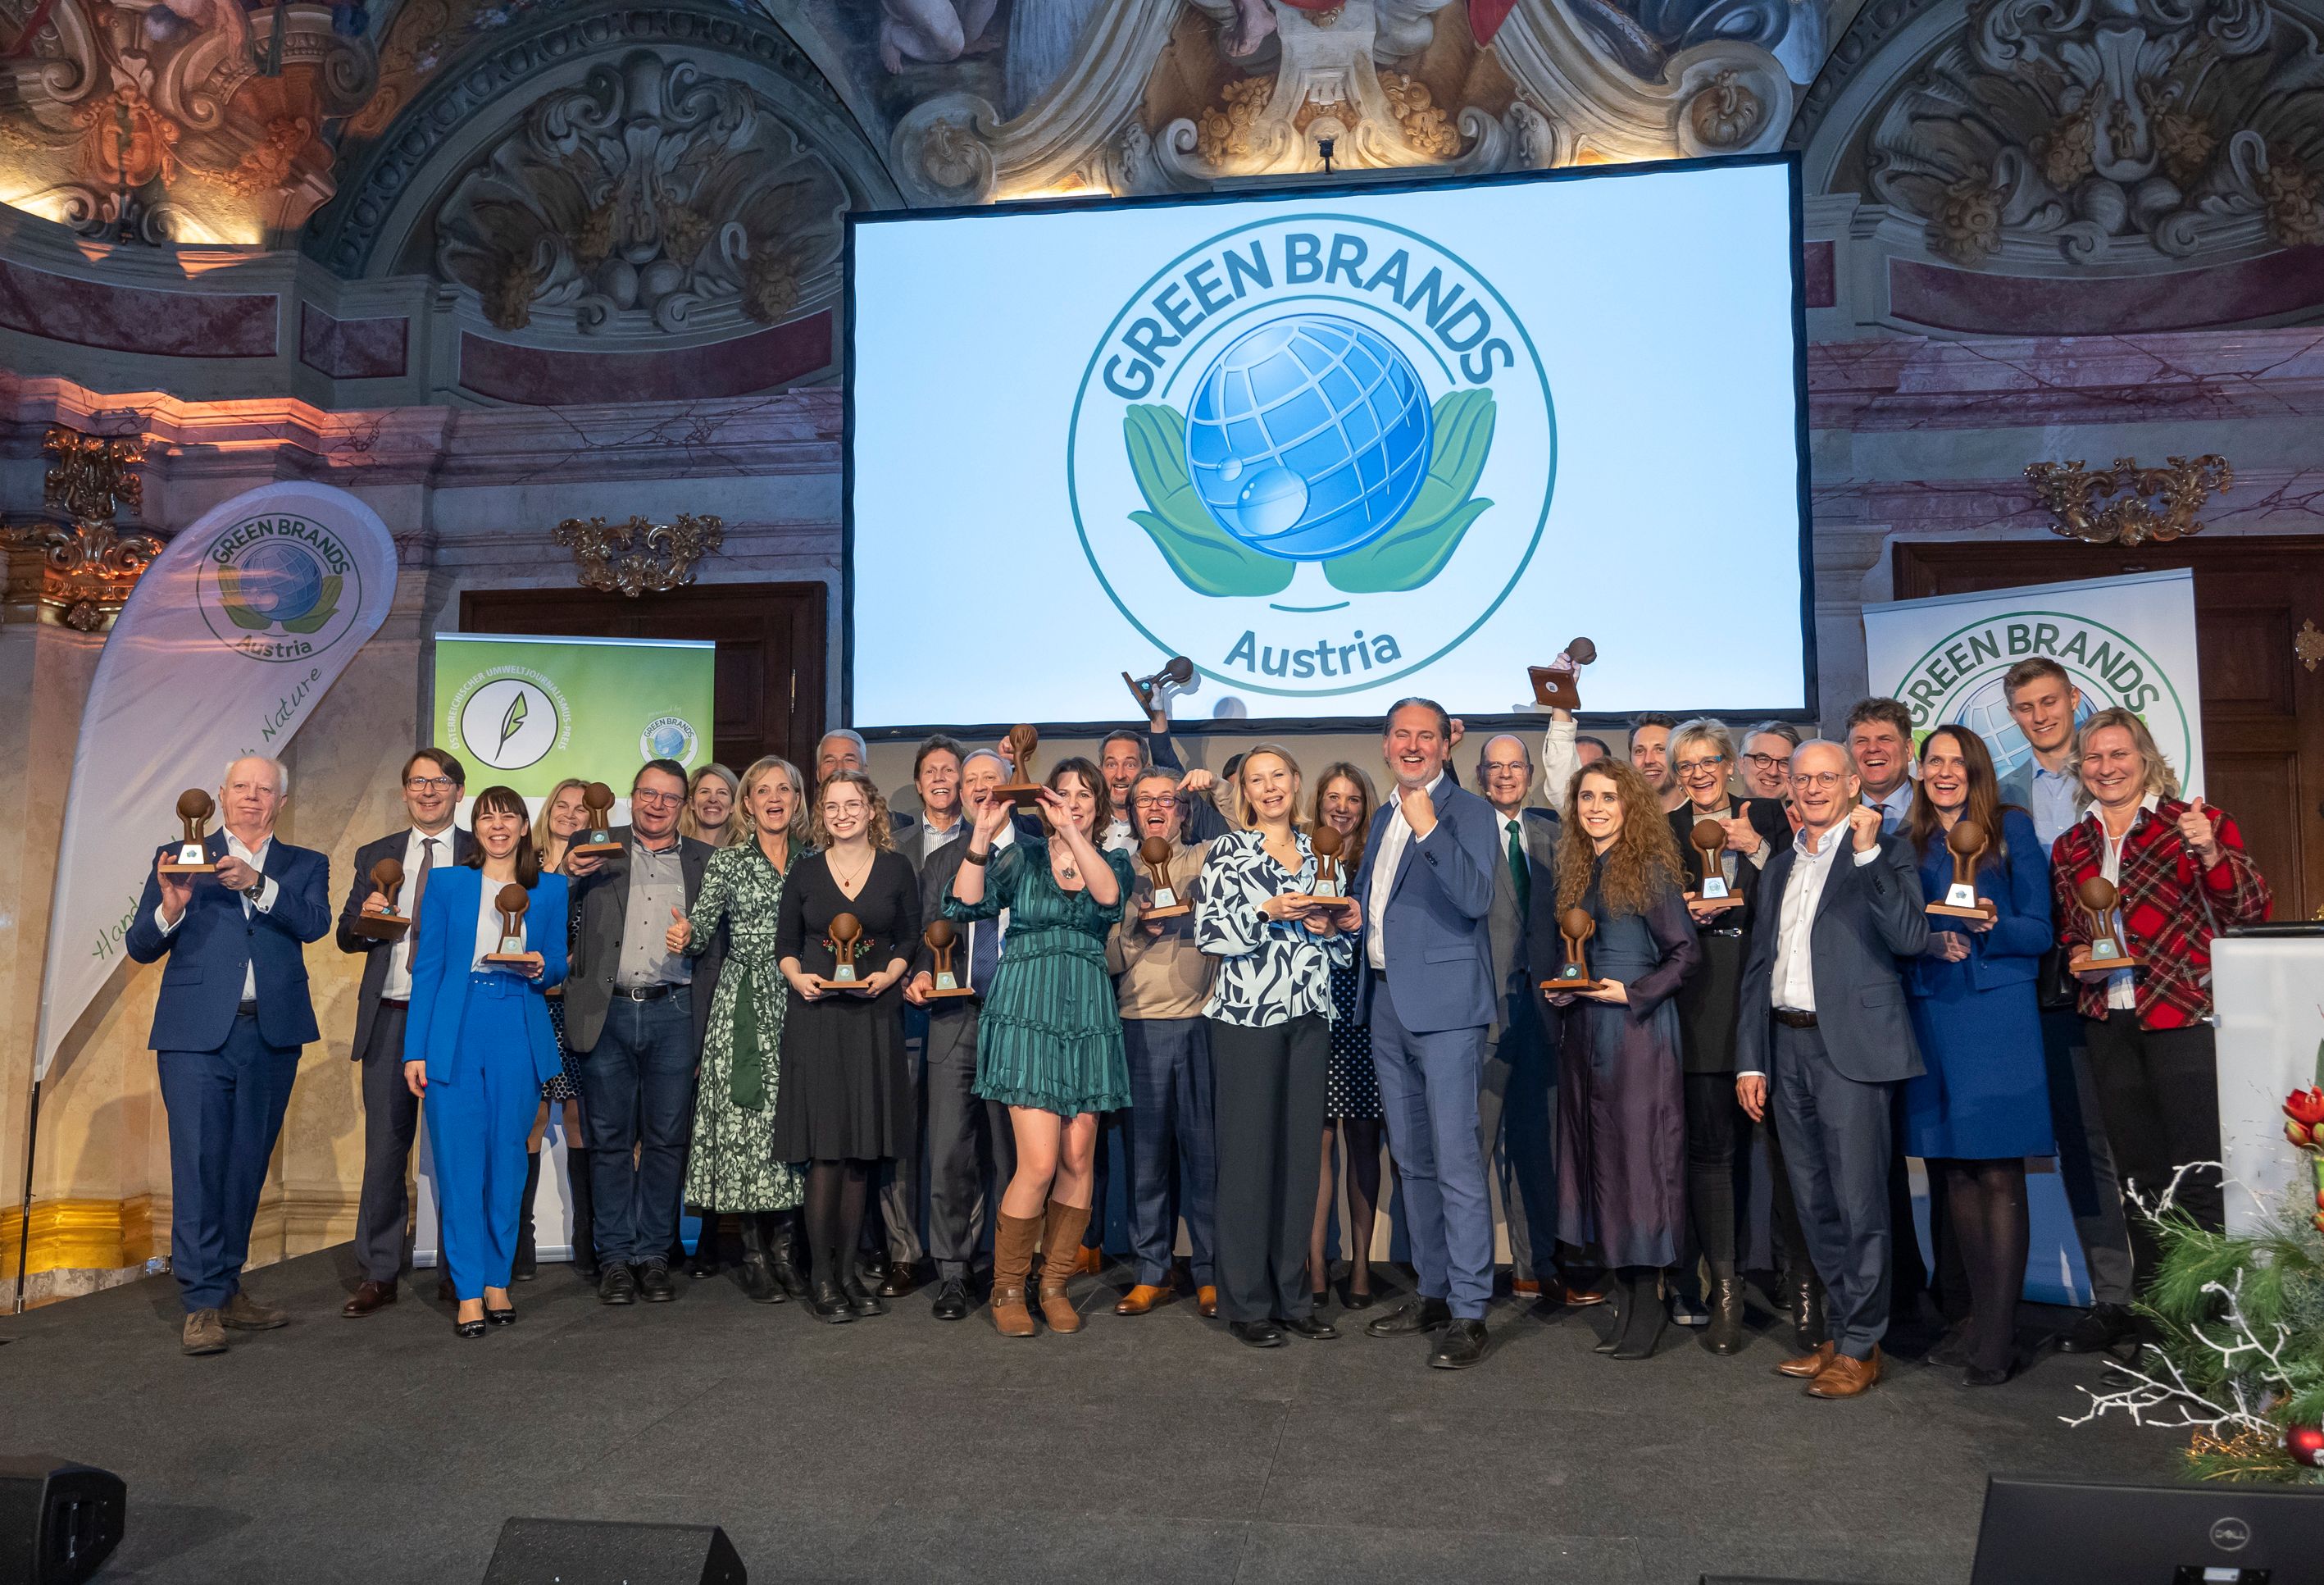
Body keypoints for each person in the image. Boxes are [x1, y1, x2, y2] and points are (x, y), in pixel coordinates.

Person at [2052, 708, 2271, 1297]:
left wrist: (2211, 854)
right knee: (2138, 1180)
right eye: (2094, 757)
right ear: (2080, 767)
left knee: (2196, 1176)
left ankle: (2210, 1319)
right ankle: (2159, 1316)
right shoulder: (2071, 845)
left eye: (2118, 754)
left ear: (2145, 759)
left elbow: (2250, 909)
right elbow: (2073, 930)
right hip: (2108, 1020)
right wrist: (2078, 953)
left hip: (2182, 1016)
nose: (2106, 767)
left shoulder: (2196, 823)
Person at [1735, 740, 1928, 1400]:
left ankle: (1861, 1343)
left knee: (1858, 1201)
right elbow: (1757, 968)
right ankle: (1843, 1332)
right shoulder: (1780, 864)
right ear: (1788, 786)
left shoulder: (1886, 852)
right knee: (1813, 1204)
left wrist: (1868, 855)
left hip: (1852, 1050)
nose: (1813, 788)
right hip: (1783, 1046)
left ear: (1851, 784)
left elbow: (1908, 937)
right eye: (1802, 778)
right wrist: (1750, 1058)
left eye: (1826, 777)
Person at [125, 756, 332, 1355]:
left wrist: (257, 884)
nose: (251, 796)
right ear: (220, 796)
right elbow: (140, 945)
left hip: (271, 1034)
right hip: (193, 1036)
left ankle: (226, 1286)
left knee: (246, 1166)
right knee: (198, 1164)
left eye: (264, 789)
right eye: (241, 786)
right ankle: (199, 1304)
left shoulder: (304, 863)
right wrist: (171, 907)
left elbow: (316, 924)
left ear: (280, 802)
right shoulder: (177, 856)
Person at [942, 757, 1132, 1338]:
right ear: (1045, 801)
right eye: (1062, 793)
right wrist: (980, 835)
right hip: (1027, 1011)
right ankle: (1008, 1285)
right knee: (1040, 1162)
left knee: (1078, 1160)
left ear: (1098, 805)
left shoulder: (1114, 860)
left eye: (1084, 794)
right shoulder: (1020, 857)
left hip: (1087, 1013)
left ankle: (1053, 1284)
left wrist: (1071, 833)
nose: (1072, 801)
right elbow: (962, 904)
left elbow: (1108, 900)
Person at [1900, 727, 2054, 1385]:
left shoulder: (2009, 827)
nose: (1944, 771)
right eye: (1933, 760)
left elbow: (2040, 928)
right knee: (1955, 1172)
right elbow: (1894, 930)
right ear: (1919, 770)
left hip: (1996, 1014)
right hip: (1932, 1011)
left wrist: (1993, 922)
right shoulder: (1902, 841)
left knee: (1997, 1170)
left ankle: (1996, 1334)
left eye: (1956, 761)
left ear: (1976, 769)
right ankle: (1977, 1319)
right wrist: (1927, 942)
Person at [1994, 658, 2139, 1356]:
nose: (2040, 716)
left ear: (2073, 698)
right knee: (2081, 1146)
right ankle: (2112, 1297)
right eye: (2025, 707)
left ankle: (2169, 1292)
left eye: (2049, 701)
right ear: (2012, 715)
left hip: (2130, 983)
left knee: (2137, 1140)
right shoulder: (2003, 794)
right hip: (2047, 985)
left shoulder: (2112, 772)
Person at [1353, 699, 1503, 1369]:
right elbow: (1379, 901)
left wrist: (1427, 826)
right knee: (1411, 1159)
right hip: (1386, 1002)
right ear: (1385, 744)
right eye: (1400, 734)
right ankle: (1434, 1291)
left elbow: (1475, 897)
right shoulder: (1382, 814)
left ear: (1446, 745)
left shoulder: (1467, 812)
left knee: (1456, 1159)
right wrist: (1347, 916)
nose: (1412, 745)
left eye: (1425, 735)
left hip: (1447, 1010)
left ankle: (1470, 1310)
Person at [1196, 747, 1359, 1347]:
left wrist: (1336, 926)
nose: (1269, 788)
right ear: (1244, 790)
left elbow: (1339, 951)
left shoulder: (1322, 851)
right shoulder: (1228, 851)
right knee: (1247, 1160)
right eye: (1256, 780)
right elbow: (1209, 934)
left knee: (1298, 1163)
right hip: (1247, 1019)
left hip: (1310, 1017)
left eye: (1278, 777)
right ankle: (1245, 1302)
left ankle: (1293, 1298)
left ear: (1295, 781)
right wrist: (1267, 910)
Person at [1539, 758, 1699, 1360]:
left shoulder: (1649, 868)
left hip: (1635, 1032)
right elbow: (1574, 955)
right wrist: (1565, 990)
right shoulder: (1579, 870)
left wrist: (1632, 993)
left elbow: (1685, 954)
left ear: (1629, 805)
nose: (1596, 807)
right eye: (1587, 797)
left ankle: (1649, 1304)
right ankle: (1627, 1303)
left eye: (1608, 797)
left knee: (1639, 1165)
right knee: (1601, 1166)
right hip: (1585, 1031)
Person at [401, 786, 569, 1337]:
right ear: (475, 828)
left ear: (524, 825)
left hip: (517, 1024)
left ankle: (498, 1280)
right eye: (487, 817)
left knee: (508, 1162)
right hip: (455, 1029)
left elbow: (556, 966)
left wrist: (542, 966)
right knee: (458, 1164)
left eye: (508, 816)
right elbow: (428, 967)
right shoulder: (448, 883)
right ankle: (469, 1290)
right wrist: (416, 1048)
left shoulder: (551, 888)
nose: (498, 825)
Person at [562, 759, 719, 1306]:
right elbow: (554, 909)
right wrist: (568, 873)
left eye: (670, 797)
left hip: (674, 1012)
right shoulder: (595, 847)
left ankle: (653, 1254)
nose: (657, 805)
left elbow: (717, 946)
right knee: (607, 1141)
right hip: (606, 1012)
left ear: (684, 806)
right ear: (631, 797)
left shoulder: (705, 861)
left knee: (666, 1140)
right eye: (648, 794)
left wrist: (695, 937)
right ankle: (614, 1258)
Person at [773, 769, 919, 1322]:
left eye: (852, 804)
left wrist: (892, 974)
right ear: (822, 814)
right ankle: (821, 1277)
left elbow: (909, 935)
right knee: (827, 1150)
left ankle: (849, 1273)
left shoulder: (896, 868)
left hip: (873, 1017)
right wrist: (797, 978)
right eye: (832, 806)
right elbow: (786, 943)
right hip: (817, 1018)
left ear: (871, 809)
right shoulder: (806, 871)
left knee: (861, 1152)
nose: (842, 814)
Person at [1665, 718, 1791, 1354]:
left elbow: (1800, 893)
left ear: (1729, 763)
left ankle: (1800, 1286)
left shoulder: (1767, 817)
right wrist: (1680, 913)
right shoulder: (1662, 830)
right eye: (1685, 765)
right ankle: (1724, 1289)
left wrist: (1759, 851)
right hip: (1701, 1002)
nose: (1698, 774)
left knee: (1784, 1153)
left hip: (1768, 996)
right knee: (1711, 1151)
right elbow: (1648, 910)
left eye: (1708, 761)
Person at [337, 748, 475, 1319]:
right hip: (391, 1015)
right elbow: (347, 936)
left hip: (455, 1020)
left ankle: (458, 1271)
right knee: (385, 1151)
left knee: (456, 1150)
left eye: (439, 782)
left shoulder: (480, 851)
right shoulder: (376, 854)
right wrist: (368, 917)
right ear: (404, 792)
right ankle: (378, 1271)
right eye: (418, 782)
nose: (428, 791)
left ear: (458, 791)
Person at [668, 757, 811, 1305]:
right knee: (746, 1126)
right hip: (744, 1001)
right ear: (746, 803)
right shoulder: (727, 862)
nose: (774, 798)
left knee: (793, 1121)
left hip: (802, 1000)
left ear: (796, 800)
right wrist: (686, 934)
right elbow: (703, 929)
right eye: (762, 790)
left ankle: (786, 1254)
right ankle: (754, 1256)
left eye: (784, 789)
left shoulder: (816, 861)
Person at [904, 747, 1021, 1321]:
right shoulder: (941, 861)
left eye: (989, 779)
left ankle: (1009, 1273)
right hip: (954, 1020)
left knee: (1013, 1157)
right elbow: (924, 934)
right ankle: (953, 1272)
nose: (978, 788)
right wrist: (921, 972)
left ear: (1008, 788)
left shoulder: (1035, 852)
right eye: (970, 779)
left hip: (1019, 1020)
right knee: (949, 1153)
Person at [1110, 767, 1219, 1317]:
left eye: (1167, 799)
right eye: (1144, 800)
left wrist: (1217, 787)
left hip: (1202, 1023)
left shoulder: (1207, 859)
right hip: (1139, 1024)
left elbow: (1253, 837)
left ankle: (1211, 1272)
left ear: (1183, 810)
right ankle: (1151, 1272)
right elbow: (1106, 957)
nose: (1155, 807)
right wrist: (1139, 930)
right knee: (1146, 1160)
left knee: (1207, 1159)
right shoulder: (1115, 871)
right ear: (1131, 813)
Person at [1474, 732, 1561, 1301]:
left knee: (1537, 1148)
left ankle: (1535, 1265)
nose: (1506, 776)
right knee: (1474, 1149)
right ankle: (1466, 1277)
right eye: (1495, 767)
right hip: (1482, 1015)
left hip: (1545, 1014)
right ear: (1481, 776)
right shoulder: (1463, 832)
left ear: (1529, 773)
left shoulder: (1554, 831)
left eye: (1515, 766)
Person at [1308, 763, 1387, 1312]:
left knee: (1363, 1143)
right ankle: (1316, 1265)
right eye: (1333, 797)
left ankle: (1360, 1266)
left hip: (1364, 1013)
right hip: (1314, 1011)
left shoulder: (1376, 859)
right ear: (1317, 803)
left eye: (1353, 799)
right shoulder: (1300, 855)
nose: (1342, 807)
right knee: (1316, 1145)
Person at [529, 777, 594, 1282]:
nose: (570, 814)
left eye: (581, 809)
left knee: (579, 1120)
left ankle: (591, 1243)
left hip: (578, 1008)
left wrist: (570, 964)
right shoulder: (523, 868)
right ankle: (518, 1245)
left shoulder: (599, 869)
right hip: (532, 1007)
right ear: (549, 810)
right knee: (530, 1119)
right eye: (563, 805)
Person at [1845, 699, 1916, 833]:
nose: (1872, 748)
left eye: (1885, 739)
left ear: (1908, 750)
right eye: (1862, 741)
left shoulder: (1938, 805)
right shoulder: (1834, 809)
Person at [680, 763, 744, 849]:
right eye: (705, 792)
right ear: (692, 803)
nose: (713, 799)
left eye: (722, 793)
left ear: (733, 805)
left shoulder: (746, 853)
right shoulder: (677, 850)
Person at [1739, 722, 1800, 804]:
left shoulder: (1807, 813)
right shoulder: (1724, 812)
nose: (1773, 772)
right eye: (1763, 759)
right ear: (1742, 764)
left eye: (1784, 763)